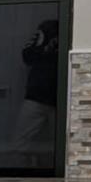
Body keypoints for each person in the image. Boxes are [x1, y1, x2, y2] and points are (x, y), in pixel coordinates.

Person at [16, 18, 58, 161]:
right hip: (37, 97)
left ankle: (48, 170)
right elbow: (27, 56)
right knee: (21, 143)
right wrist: (45, 47)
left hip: (60, 100)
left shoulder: (70, 31)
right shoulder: (45, 30)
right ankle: (25, 170)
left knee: (59, 145)